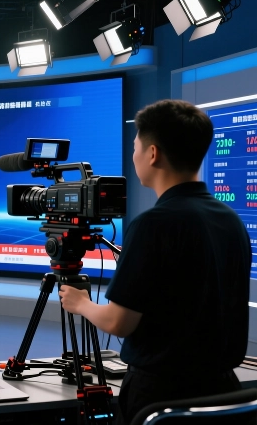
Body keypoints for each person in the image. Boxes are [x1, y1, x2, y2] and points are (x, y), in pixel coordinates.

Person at [58, 100, 251, 424]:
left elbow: (119, 323)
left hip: (161, 400)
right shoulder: (231, 220)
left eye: (135, 147)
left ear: (152, 153)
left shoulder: (152, 224)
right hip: (224, 394)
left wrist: (81, 303)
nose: (133, 155)